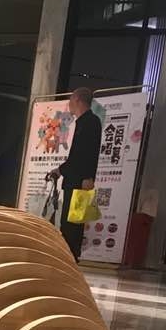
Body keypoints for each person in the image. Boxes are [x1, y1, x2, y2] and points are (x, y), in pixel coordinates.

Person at [47, 87, 102, 262]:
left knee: (73, 223)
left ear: (77, 100)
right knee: (70, 222)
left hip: (80, 181)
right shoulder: (84, 122)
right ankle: (68, 257)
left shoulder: (90, 122)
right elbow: (78, 156)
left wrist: (88, 177)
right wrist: (61, 170)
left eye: (70, 100)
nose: (69, 104)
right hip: (75, 179)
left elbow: (86, 154)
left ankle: (69, 259)